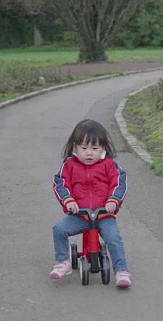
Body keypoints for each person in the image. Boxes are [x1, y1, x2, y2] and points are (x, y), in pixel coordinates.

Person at [51, 119, 131, 288]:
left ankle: (122, 271)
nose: (89, 153)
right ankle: (62, 262)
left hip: (103, 214)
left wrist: (113, 200)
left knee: (113, 238)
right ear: (75, 148)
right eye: (84, 148)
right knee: (59, 229)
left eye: (94, 149)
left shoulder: (109, 165)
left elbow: (119, 183)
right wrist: (68, 200)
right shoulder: (69, 165)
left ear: (103, 148)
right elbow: (60, 184)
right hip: (80, 214)